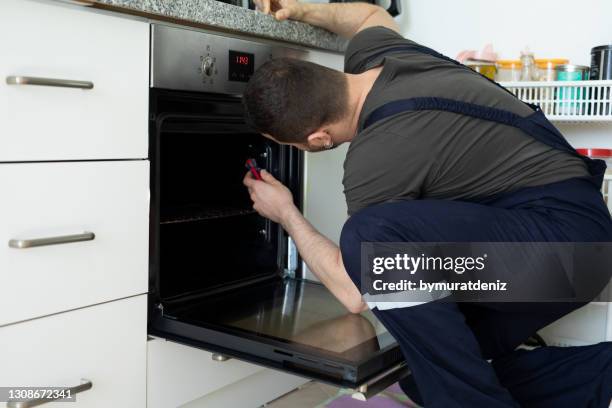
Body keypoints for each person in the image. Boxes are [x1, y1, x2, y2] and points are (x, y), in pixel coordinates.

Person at [241, 1, 612, 407]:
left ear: (318, 139)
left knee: (368, 240)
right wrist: (302, 10)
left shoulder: (375, 159)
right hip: (570, 236)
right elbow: (368, 16)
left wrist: (287, 215)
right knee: (424, 370)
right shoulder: (381, 55)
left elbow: (354, 291)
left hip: (566, 256)